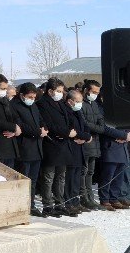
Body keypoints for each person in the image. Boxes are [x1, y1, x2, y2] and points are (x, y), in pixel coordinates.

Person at [37, 79, 80, 217]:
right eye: (58, 91)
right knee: (49, 176)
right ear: (50, 91)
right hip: (52, 143)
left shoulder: (61, 103)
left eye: (62, 91)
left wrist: (71, 130)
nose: (61, 94)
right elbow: (48, 124)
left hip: (64, 144)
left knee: (61, 176)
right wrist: (65, 133)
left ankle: (60, 203)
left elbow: (70, 118)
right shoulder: (42, 104)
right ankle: (48, 205)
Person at [11, 82, 47, 215]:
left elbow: (41, 120)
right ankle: (22, 206)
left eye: (34, 97)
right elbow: (21, 126)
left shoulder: (34, 106)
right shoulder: (14, 106)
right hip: (24, 148)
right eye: (30, 97)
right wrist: (38, 132)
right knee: (24, 180)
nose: (32, 99)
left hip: (36, 148)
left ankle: (31, 205)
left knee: (33, 180)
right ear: (22, 95)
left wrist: (44, 128)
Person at [62, 89, 92, 215]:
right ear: (70, 101)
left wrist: (85, 137)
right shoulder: (66, 111)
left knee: (76, 177)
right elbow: (71, 130)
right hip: (70, 147)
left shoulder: (78, 112)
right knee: (70, 177)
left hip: (79, 148)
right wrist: (82, 136)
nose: (80, 104)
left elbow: (85, 128)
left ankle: (75, 201)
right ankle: (69, 202)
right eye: (78, 101)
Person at [79, 80, 105, 210]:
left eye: (97, 92)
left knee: (90, 172)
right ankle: (84, 197)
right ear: (86, 90)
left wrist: (96, 128)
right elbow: (84, 124)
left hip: (95, 143)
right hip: (85, 143)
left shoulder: (94, 104)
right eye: (93, 92)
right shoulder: (81, 104)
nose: (95, 94)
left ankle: (90, 197)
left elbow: (102, 125)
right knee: (83, 172)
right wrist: (96, 128)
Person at [98, 125, 130, 210]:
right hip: (110, 146)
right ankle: (104, 200)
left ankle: (113, 199)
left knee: (118, 178)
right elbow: (103, 127)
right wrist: (123, 135)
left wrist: (127, 135)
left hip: (123, 148)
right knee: (107, 177)